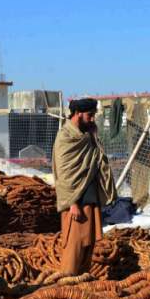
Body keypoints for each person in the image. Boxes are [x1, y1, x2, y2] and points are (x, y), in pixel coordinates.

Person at [52, 98, 117, 275]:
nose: (92, 119)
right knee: (74, 244)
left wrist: (95, 135)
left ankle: (82, 282)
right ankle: (68, 282)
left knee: (88, 243)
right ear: (78, 114)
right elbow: (63, 174)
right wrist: (72, 204)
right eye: (90, 115)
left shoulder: (88, 134)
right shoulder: (65, 136)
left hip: (90, 197)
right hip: (74, 202)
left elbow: (96, 158)